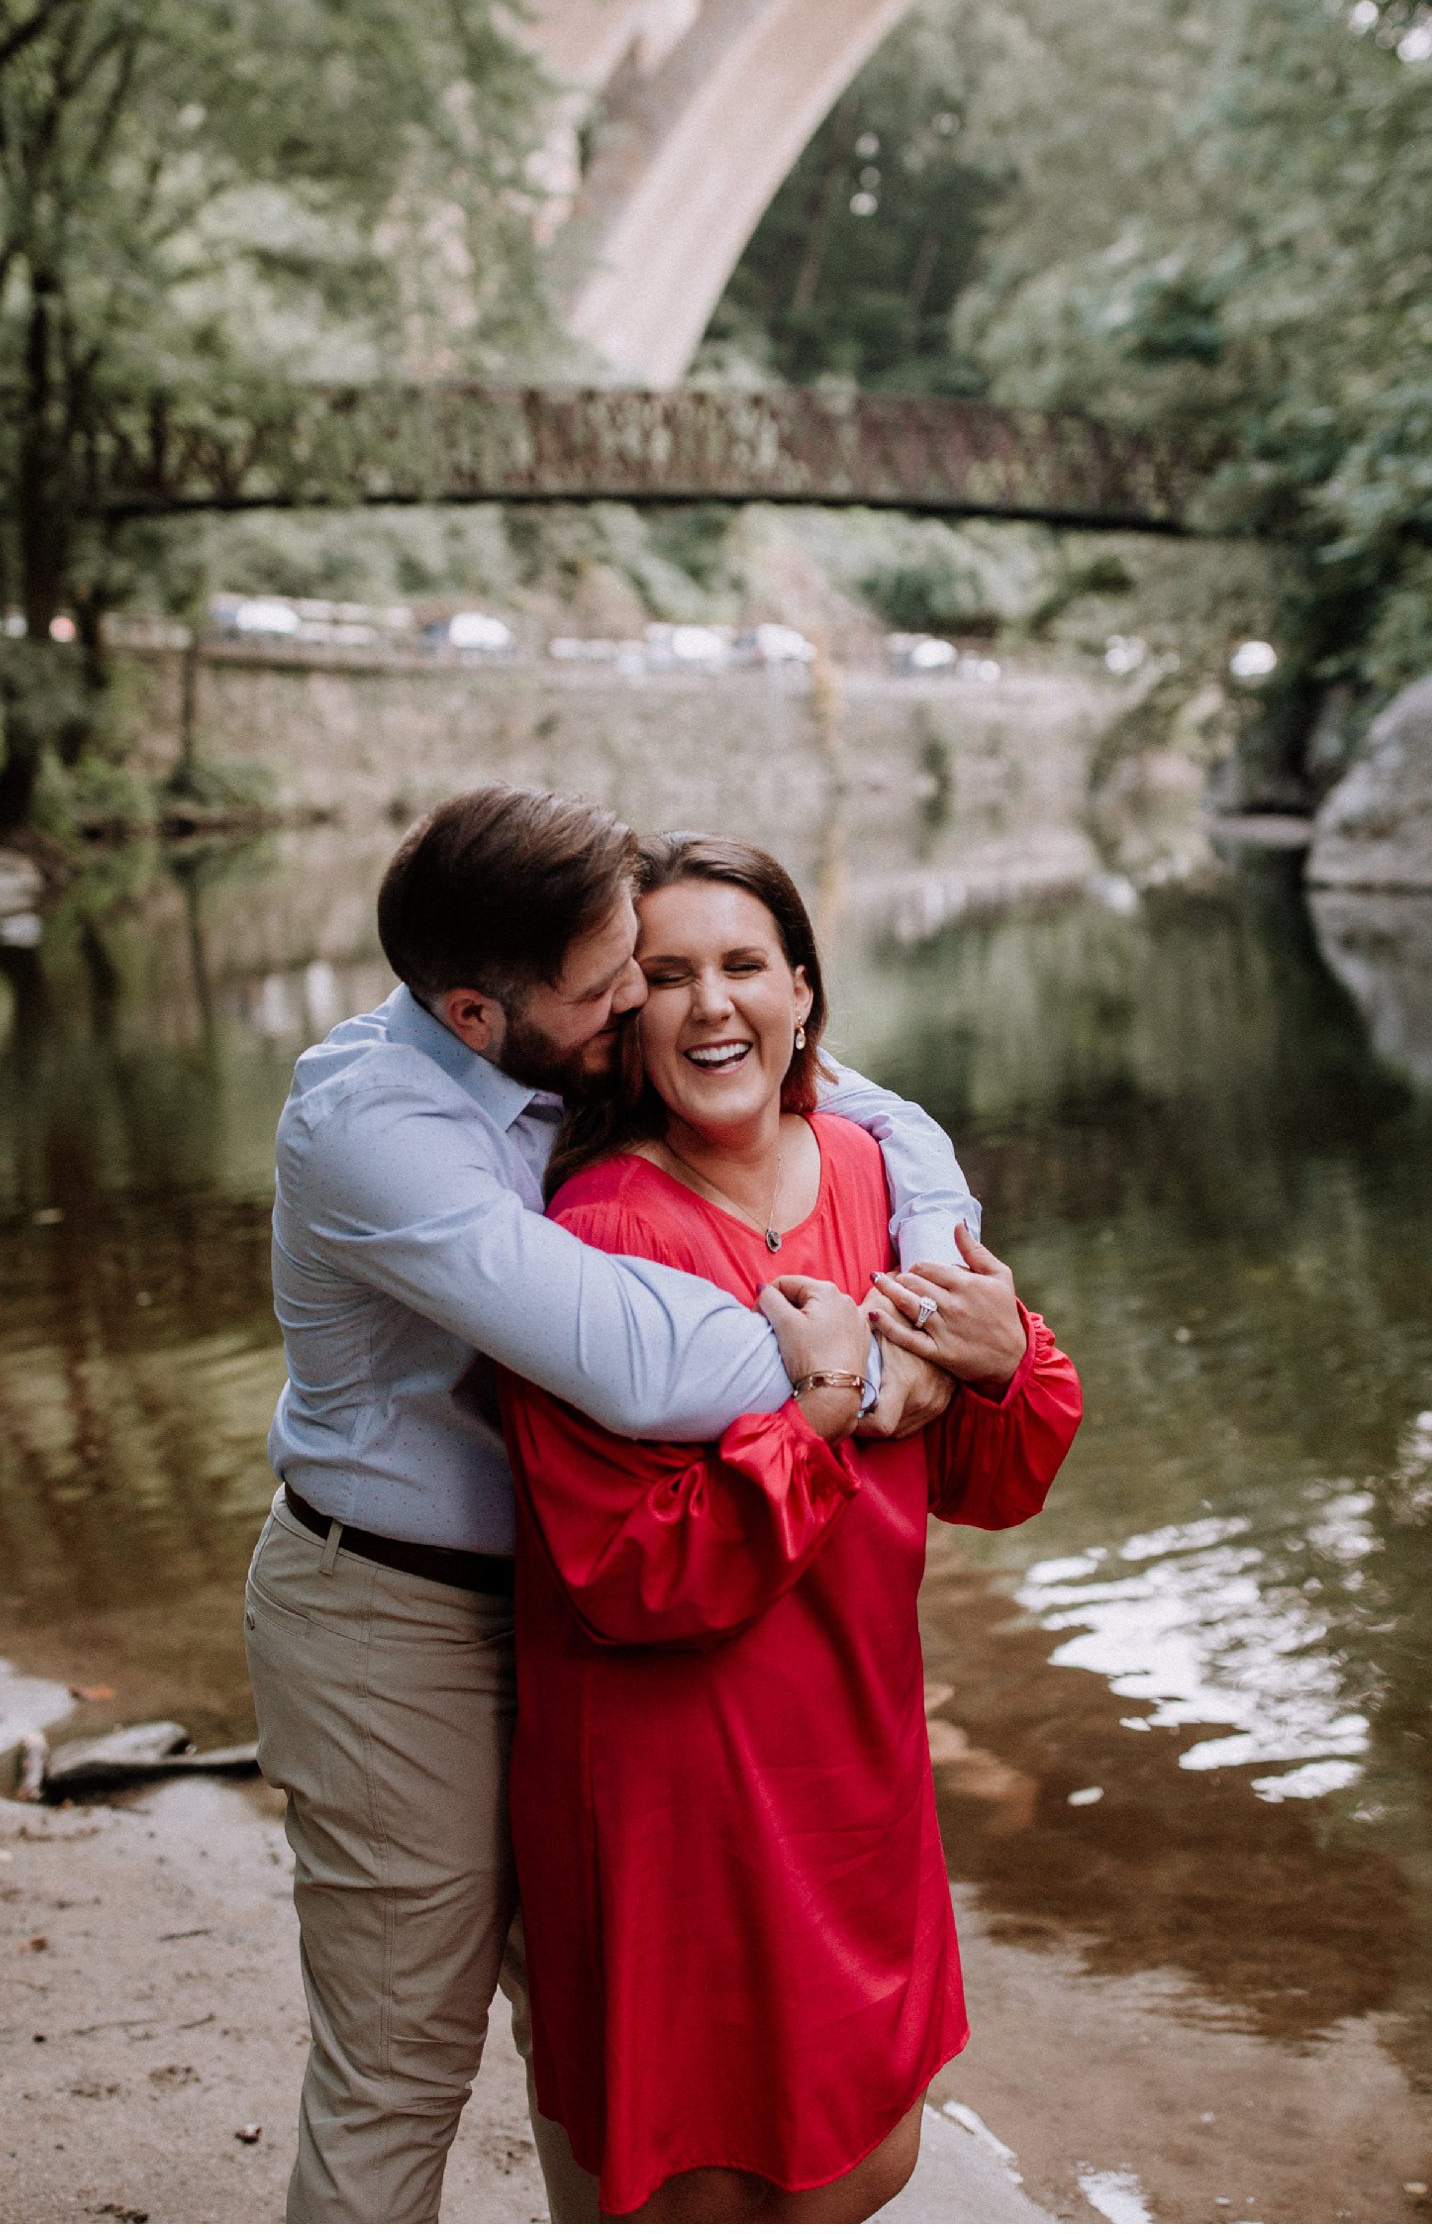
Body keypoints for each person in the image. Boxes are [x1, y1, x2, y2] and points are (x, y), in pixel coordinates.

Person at [245, 785, 986, 2226]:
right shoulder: (371, 1130)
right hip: (399, 1620)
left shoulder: (553, 1047)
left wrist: (935, 1238)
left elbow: (854, 1094)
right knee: (400, 2065)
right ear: (477, 1011)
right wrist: (863, 1365)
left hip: (575, 1627)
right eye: (617, 988)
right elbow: (642, 1361)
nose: (638, 1014)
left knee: (590, 2036)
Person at [500, 833, 1083, 2224]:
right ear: (618, 1018)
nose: (712, 1004)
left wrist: (1006, 1356)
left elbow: (991, 1482)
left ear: (805, 992)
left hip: (853, 1744)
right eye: (669, 974)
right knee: (703, 2171)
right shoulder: (593, 1237)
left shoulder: (882, 1181)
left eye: (744, 965)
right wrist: (818, 1415)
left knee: (867, 2151)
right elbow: (628, 1571)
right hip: (677, 1774)